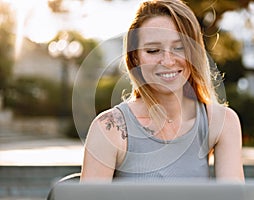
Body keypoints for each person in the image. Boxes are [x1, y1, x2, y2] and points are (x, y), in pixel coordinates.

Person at [80, 0, 244, 182]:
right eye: (153, 50)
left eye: (179, 47)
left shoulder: (223, 122)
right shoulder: (109, 129)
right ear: (135, 58)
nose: (167, 61)